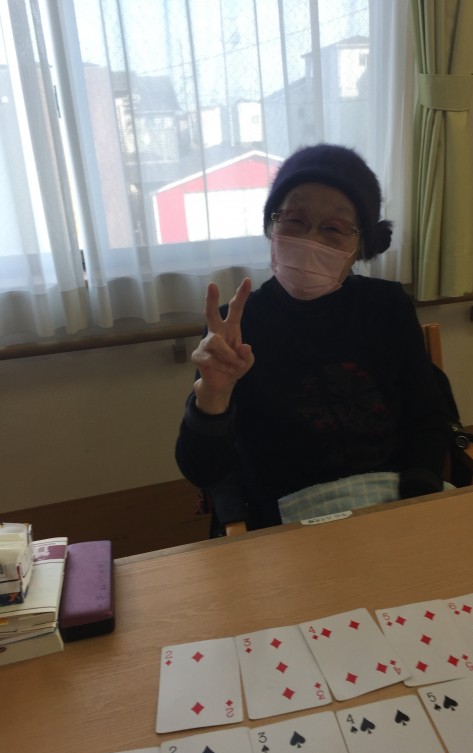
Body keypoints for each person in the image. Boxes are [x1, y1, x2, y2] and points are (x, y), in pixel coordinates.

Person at [175, 143, 449, 533]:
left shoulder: (387, 307)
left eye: (334, 228)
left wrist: (415, 506)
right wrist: (213, 398)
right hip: (282, 527)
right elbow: (204, 470)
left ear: (361, 246)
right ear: (271, 228)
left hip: (392, 510)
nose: (311, 240)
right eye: (294, 220)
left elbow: (427, 418)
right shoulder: (234, 327)